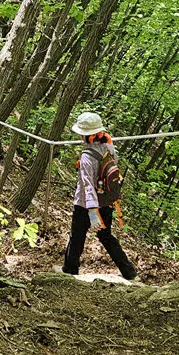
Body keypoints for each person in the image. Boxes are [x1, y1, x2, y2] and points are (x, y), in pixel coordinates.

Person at [61, 111, 138, 281]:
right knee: (105, 236)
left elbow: (88, 186)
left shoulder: (87, 157)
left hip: (85, 205)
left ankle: (69, 270)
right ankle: (129, 271)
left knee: (77, 237)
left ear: (87, 136)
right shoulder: (109, 148)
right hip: (106, 201)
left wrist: (91, 211)